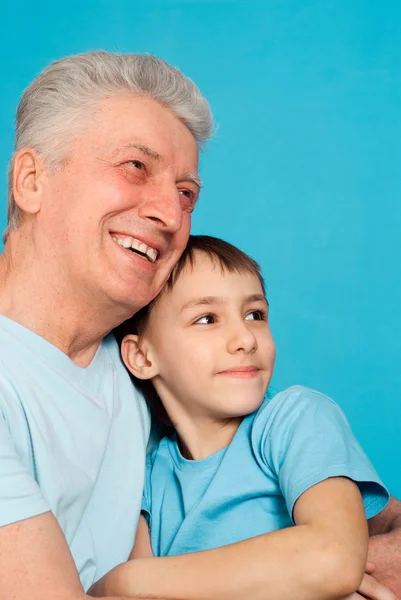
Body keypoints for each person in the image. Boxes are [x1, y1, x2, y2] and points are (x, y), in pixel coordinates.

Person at [0, 50, 400, 600]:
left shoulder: (154, 367)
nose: (170, 212)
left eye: (187, 193)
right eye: (135, 166)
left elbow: (372, 523)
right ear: (31, 180)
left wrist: (359, 558)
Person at [89, 234, 390, 600]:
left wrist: (128, 582)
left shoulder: (296, 420)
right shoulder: (147, 474)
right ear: (142, 357)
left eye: (255, 314)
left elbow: (333, 557)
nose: (245, 338)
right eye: (207, 318)